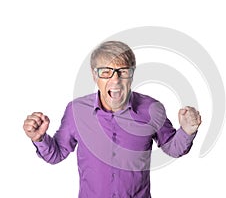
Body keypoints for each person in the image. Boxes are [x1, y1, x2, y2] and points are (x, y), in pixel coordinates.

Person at [23, 41, 202, 198]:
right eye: (106, 72)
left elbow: (172, 147)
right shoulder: (76, 111)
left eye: (122, 71)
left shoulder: (152, 109)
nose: (115, 79)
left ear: (131, 74)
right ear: (94, 76)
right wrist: (39, 138)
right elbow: (57, 154)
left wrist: (187, 131)